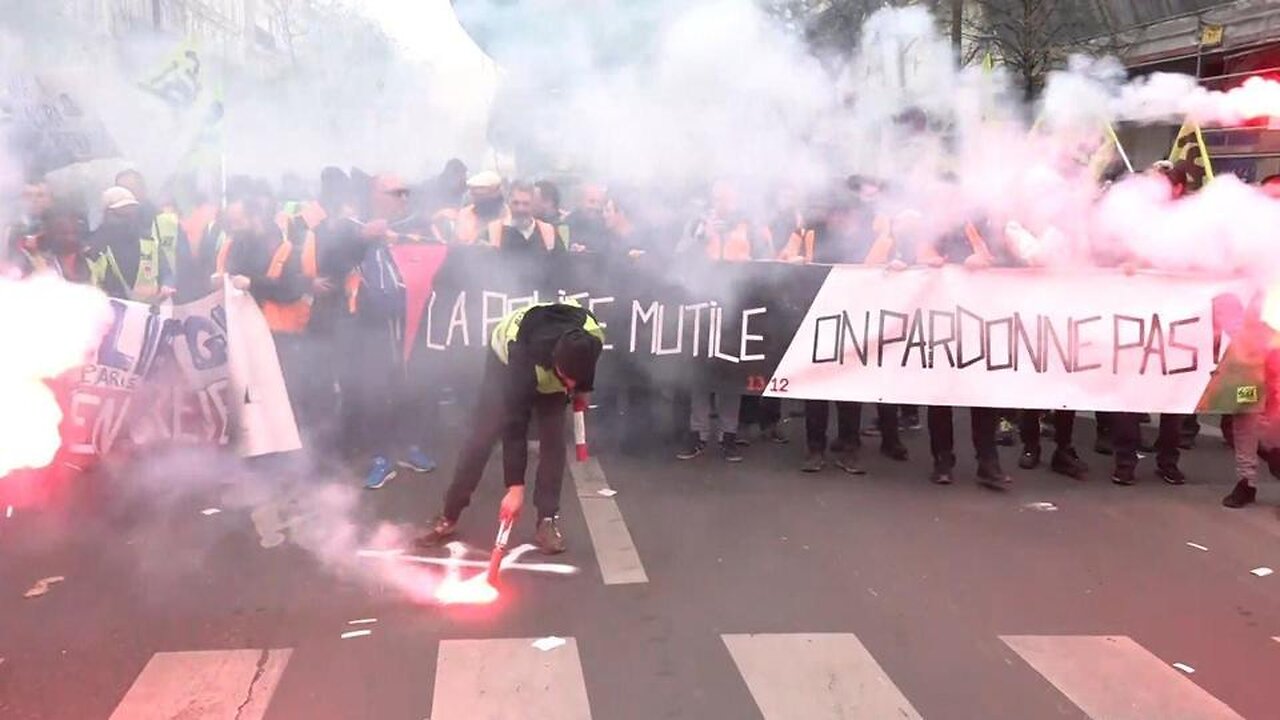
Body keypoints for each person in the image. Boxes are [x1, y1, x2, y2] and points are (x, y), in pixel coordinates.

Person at [414, 300, 605, 555]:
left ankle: (547, 520)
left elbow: (584, 371)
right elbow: (515, 427)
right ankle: (449, 515)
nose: (569, 385)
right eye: (566, 379)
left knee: (554, 440)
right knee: (482, 437)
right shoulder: (522, 359)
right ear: (556, 362)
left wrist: (582, 389)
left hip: (551, 365)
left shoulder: (592, 337)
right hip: (505, 362)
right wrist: (515, 488)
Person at [786, 188, 908, 473]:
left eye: (846, 214)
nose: (841, 219)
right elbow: (788, 254)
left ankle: (849, 448)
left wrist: (892, 266)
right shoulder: (812, 234)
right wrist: (794, 260)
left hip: (854, 319)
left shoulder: (870, 237)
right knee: (815, 388)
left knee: (848, 388)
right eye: (837, 213)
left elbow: (879, 264)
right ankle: (815, 448)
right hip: (818, 316)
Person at [342, 175, 437, 487]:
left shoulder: (422, 225)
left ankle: (410, 446)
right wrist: (362, 237)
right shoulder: (355, 225)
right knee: (376, 391)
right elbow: (332, 259)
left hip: (413, 321)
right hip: (371, 326)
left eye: (405, 192)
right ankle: (381, 456)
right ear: (376, 195)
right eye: (395, 193)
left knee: (413, 386)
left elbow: (442, 257)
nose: (402, 198)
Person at [674, 180, 769, 463]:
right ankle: (698, 433)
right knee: (700, 370)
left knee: (731, 370)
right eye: (718, 199)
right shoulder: (697, 224)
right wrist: (702, 235)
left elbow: (766, 261)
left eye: (728, 199)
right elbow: (679, 255)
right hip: (703, 301)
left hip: (739, 303)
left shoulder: (750, 225)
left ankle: (729, 433)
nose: (722, 204)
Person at [917, 217, 1013, 487]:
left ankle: (988, 461)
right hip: (943, 320)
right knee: (940, 395)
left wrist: (979, 253)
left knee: (982, 394)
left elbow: (1001, 258)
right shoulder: (938, 225)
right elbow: (923, 253)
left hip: (980, 320)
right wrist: (940, 261)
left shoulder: (986, 224)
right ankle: (943, 460)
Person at [87, 186, 175, 303]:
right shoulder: (95, 248)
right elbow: (91, 286)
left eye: (131, 211)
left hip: (150, 313)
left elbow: (166, 271)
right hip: (112, 315)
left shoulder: (149, 241)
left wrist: (166, 285)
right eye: (122, 213)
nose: (128, 217)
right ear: (107, 214)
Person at [487, 181, 559, 255]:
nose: (520, 209)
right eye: (516, 203)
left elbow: (563, 264)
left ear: (533, 204)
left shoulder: (549, 233)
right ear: (508, 203)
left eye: (526, 204)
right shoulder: (492, 232)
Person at [454, 171, 508, 244]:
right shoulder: (464, 214)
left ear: (496, 194)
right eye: (476, 196)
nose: (480, 201)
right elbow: (457, 243)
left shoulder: (508, 215)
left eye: (483, 196)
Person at [564, 182, 610, 253]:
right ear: (580, 201)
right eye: (592, 201)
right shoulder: (568, 222)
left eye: (600, 203)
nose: (596, 207)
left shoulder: (606, 223)